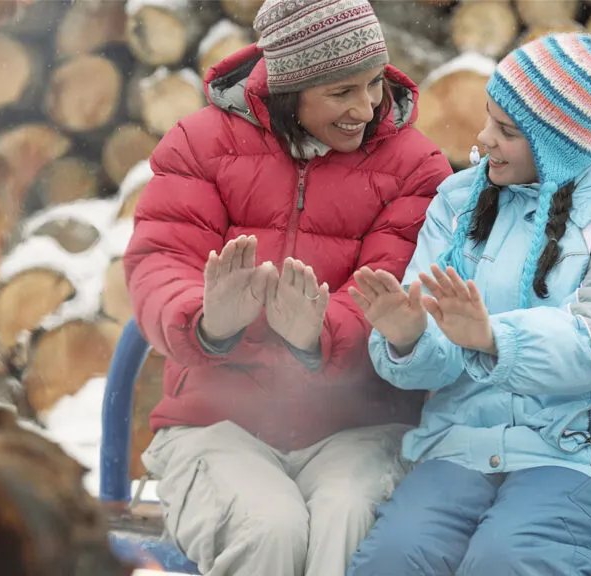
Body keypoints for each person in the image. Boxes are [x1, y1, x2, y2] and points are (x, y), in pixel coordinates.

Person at [121, 1, 453, 575]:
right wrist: (207, 321)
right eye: (341, 92)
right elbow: (160, 259)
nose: (367, 108)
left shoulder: (415, 167)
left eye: (374, 84)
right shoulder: (199, 147)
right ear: (289, 88)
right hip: (216, 423)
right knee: (267, 527)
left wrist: (317, 334)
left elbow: (397, 281)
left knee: (346, 521)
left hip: (361, 424)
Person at [345, 32, 591, 576]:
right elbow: (433, 356)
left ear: (558, 144)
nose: (483, 139)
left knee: (505, 560)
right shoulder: (458, 204)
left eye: (507, 131)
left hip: (583, 457)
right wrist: (408, 336)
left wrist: (493, 337)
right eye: (488, 120)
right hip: (462, 446)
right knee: (394, 557)